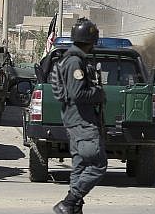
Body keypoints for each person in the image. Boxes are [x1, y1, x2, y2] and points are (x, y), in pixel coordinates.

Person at [53, 18, 106, 214]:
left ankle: (74, 208)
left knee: (80, 165)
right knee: (98, 165)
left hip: (74, 120)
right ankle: (69, 202)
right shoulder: (75, 62)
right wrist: (98, 94)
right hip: (82, 121)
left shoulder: (71, 59)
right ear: (89, 41)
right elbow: (77, 94)